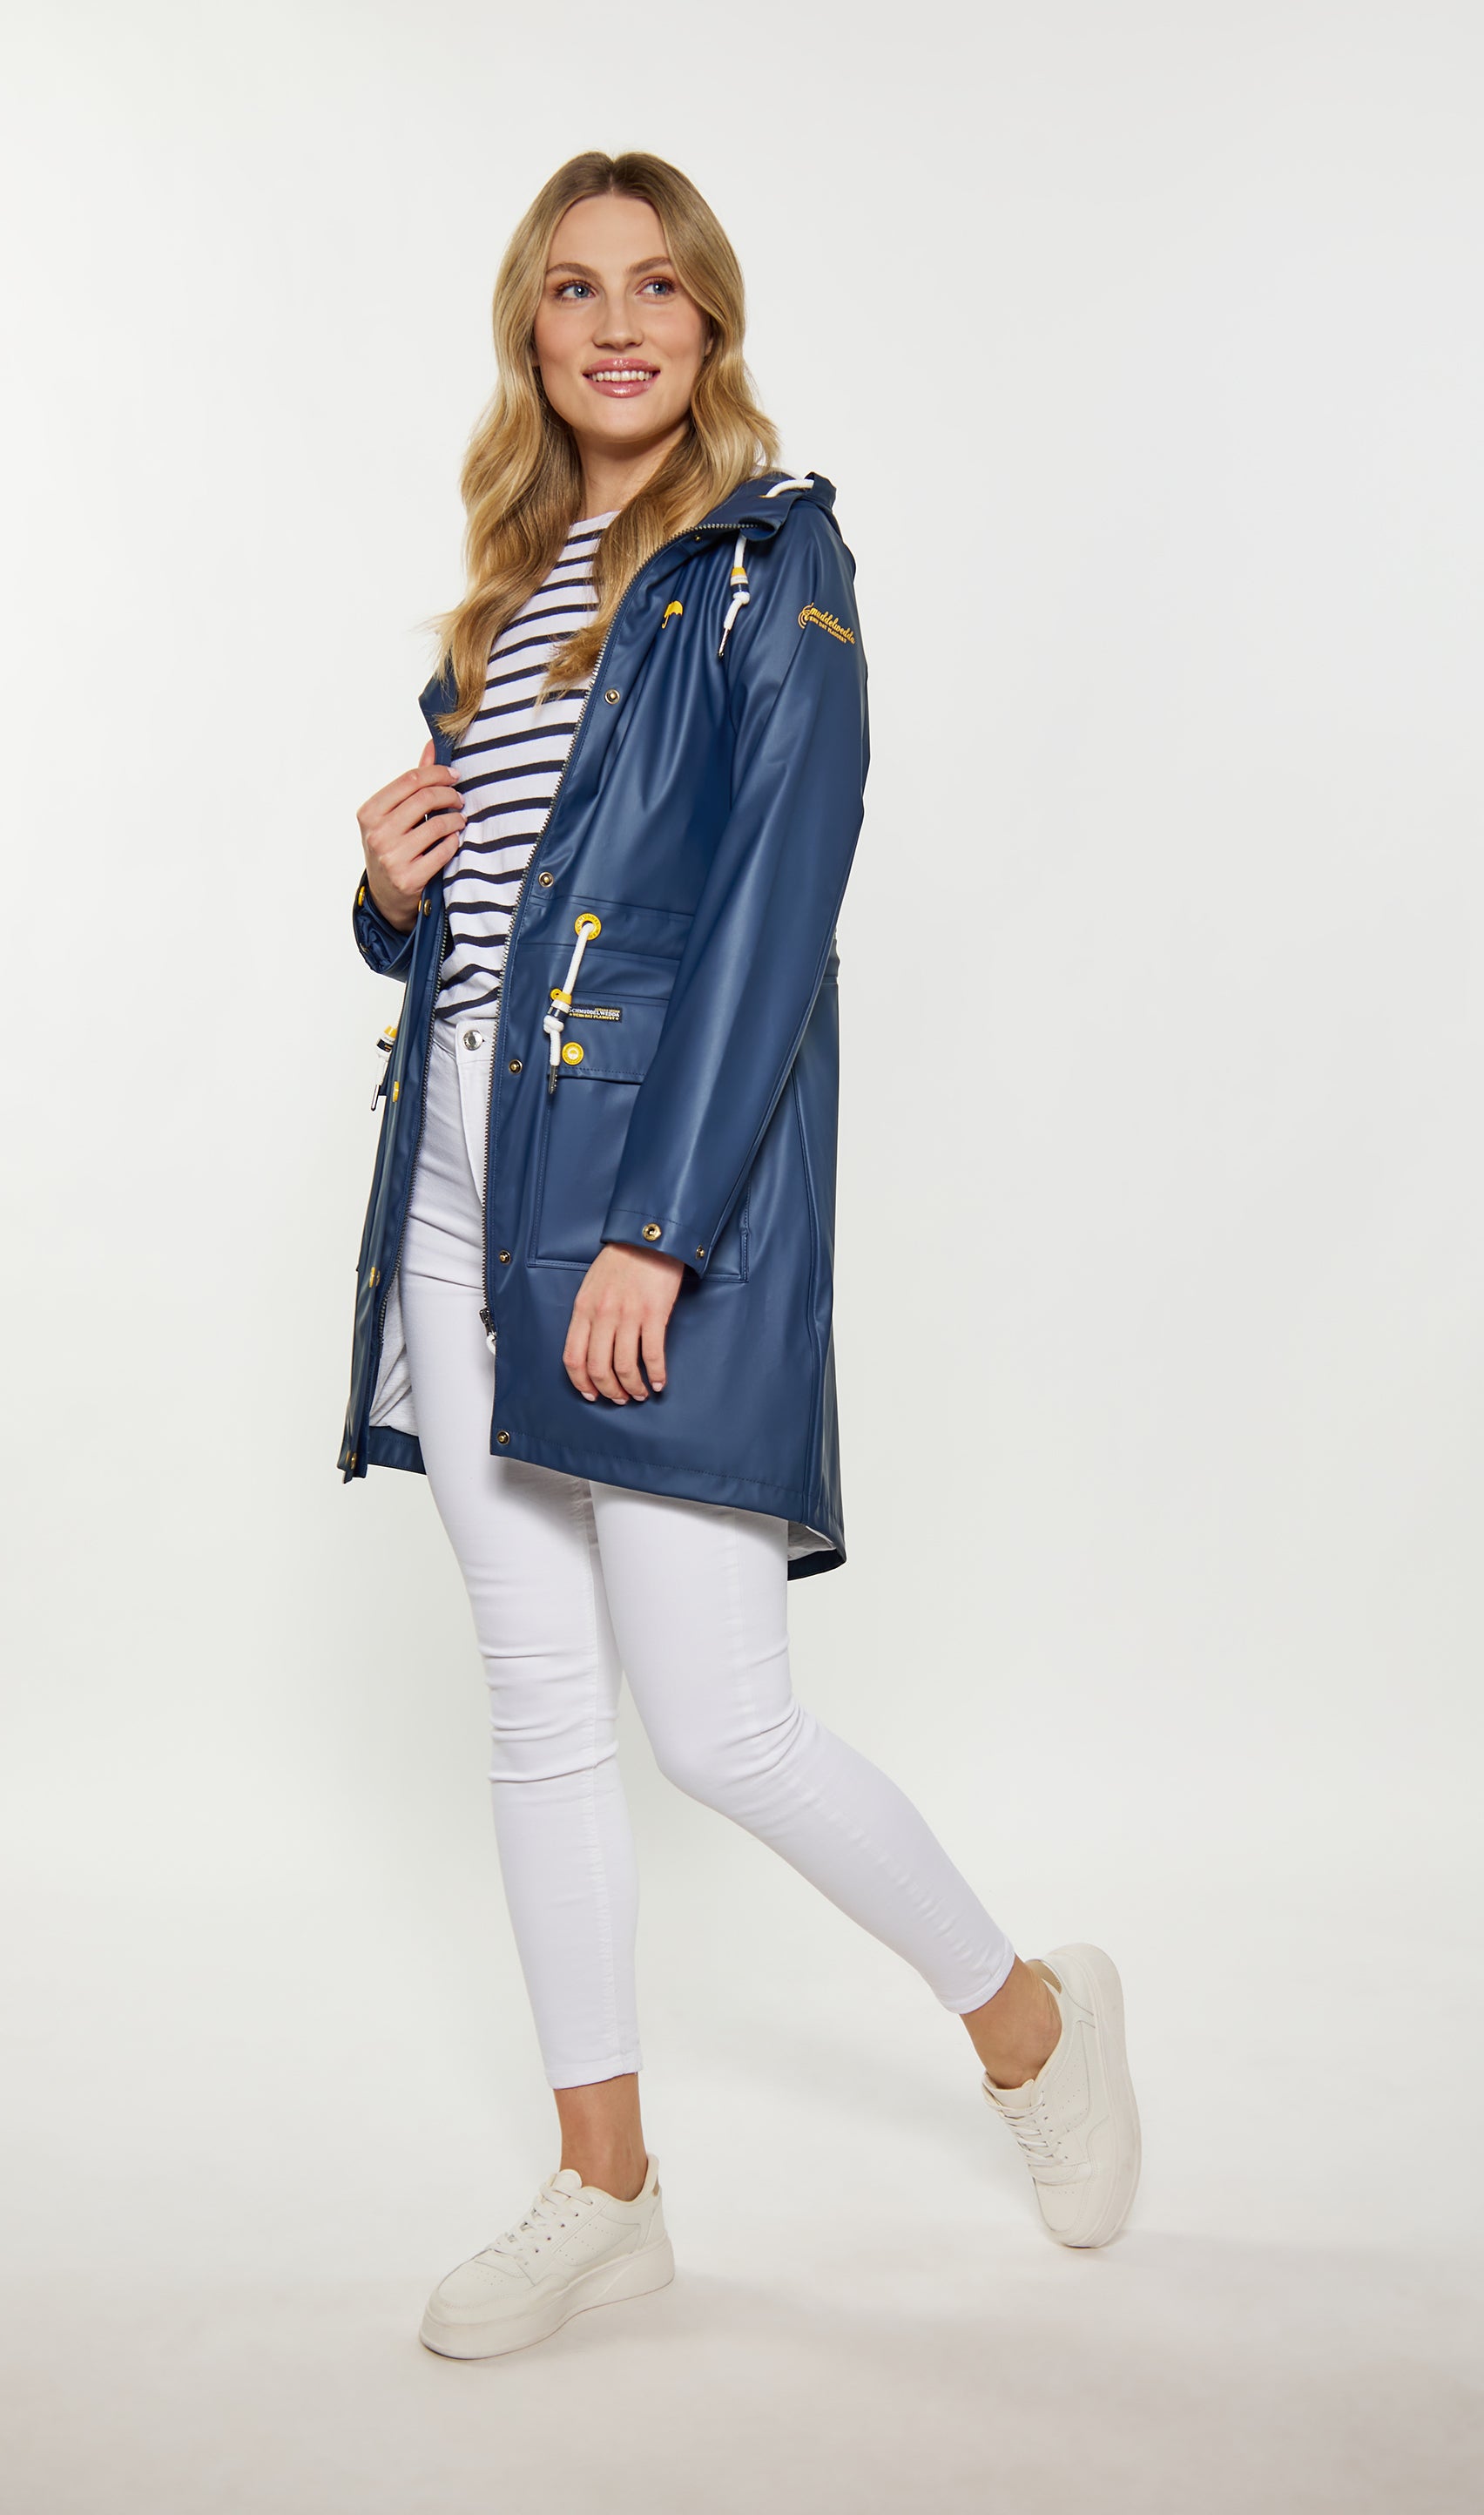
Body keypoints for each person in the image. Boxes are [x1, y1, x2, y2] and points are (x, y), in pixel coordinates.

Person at [341, 152, 1139, 2361]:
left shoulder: (776, 564)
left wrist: (657, 1232)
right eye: (573, 289)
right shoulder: (508, 604)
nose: (617, 325)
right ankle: (605, 2187)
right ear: (529, 333)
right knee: (537, 1708)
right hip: (451, 1178)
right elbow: (502, 917)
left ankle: (1032, 2028)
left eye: (656, 287)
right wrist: (390, 899)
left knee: (718, 1723)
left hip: (627, 1199)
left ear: (709, 322)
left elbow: (778, 909)